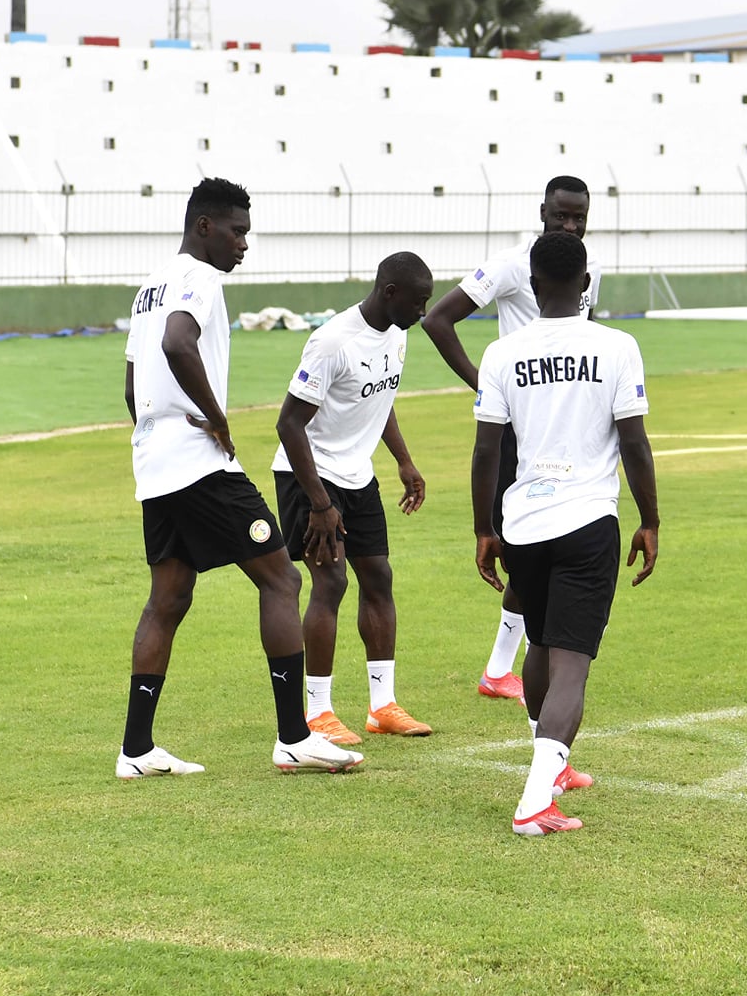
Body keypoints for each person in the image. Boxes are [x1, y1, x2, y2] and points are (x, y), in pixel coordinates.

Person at [117, 176, 363, 779]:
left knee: (168, 598)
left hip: (153, 463)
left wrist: (158, 432)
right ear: (205, 226)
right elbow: (180, 343)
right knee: (282, 579)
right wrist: (218, 420)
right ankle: (293, 737)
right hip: (199, 463)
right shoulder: (198, 280)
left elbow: (130, 386)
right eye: (237, 231)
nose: (243, 244)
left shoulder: (149, 287)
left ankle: (137, 749)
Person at [469, 232, 659, 836]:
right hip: (587, 521)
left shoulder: (503, 353)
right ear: (585, 284)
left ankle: (549, 766)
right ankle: (535, 802)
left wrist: (485, 528)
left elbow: (485, 451)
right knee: (571, 665)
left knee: (542, 646)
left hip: (524, 522)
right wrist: (650, 520)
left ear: (532, 282)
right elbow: (634, 442)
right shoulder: (617, 346)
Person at [422, 175, 603, 709]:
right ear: (542, 210)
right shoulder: (510, 263)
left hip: (567, 433)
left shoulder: (587, 267)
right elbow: (438, 319)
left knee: (550, 547)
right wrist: (487, 385)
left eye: (578, 218)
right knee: (526, 550)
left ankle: (501, 668)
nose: (569, 226)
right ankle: (505, 668)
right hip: (521, 434)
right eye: (560, 216)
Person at [272, 253, 436, 746]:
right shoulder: (332, 341)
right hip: (309, 473)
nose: (423, 312)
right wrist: (320, 503)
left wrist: (404, 462)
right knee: (331, 581)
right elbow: (288, 424)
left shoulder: (398, 333)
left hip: (356, 473)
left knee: (379, 577)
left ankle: (382, 706)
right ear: (390, 292)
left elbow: (377, 399)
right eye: (418, 302)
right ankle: (318, 712)